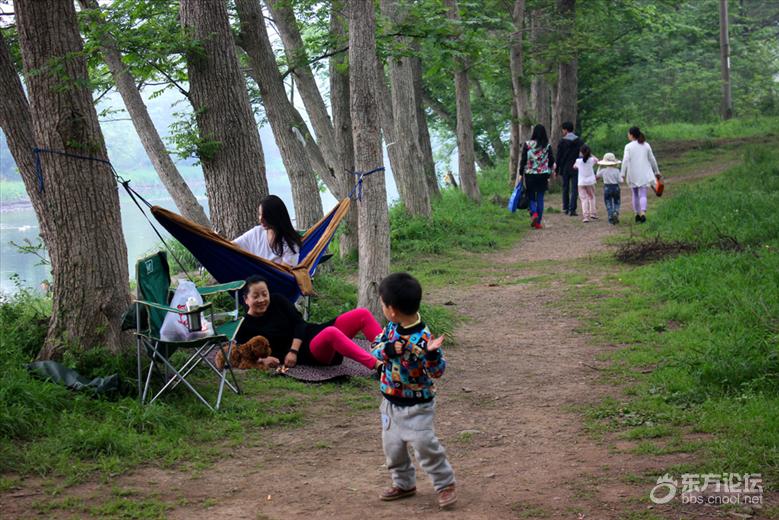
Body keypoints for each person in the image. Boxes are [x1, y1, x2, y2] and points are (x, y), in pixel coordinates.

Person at [371, 272, 457, 509]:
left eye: (382, 303)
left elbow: (438, 371)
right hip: (390, 402)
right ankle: (404, 483)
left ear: (392, 309)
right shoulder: (390, 329)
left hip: (418, 405)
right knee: (393, 448)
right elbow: (374, 348)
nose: (382, 307)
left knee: (424, 445)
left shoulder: (424, 338)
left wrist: (431, 355)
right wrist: (387, 349)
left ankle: (445, 483)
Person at [234, 275, 384, 371]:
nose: (262, 300)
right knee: (331, 333)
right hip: (311, 353)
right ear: (246, 299)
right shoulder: (244, 325)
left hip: (313, 335)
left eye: (264, 294)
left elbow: (299, 323)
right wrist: (262, 360)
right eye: (256, 296)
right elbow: (241, 354)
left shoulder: (278, 300)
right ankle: (379, 366)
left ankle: (391, 356)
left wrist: (293, 351)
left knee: (362, 314)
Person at [233, 195, 302, 266]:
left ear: (275, 217)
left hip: (272, 276)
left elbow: (284, 273)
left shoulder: (290, 244)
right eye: (259, 214)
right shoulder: (257, 232)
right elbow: (231, 246)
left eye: (265, 216)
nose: (260, 220)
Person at [517, 124, 555, 229]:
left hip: (530, 175)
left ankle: (533, 213)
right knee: (540, 198)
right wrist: (550, 171)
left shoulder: (528, 145)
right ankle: (538, 223)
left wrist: (521, 173)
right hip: (543, 175)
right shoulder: (547, 146)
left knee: (531, 197)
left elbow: (523, 160)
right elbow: (551, 161)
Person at [621, 126, 660, 223]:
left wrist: (622, 173)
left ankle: (637, 214)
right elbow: (652, 159)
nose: (628, 135)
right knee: (643, 194)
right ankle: (643, 212)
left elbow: (625, 160)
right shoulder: (646, 145)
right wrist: (657, 171)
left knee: (634, 194)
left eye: (628, 134)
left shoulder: (628, 146)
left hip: (633, 173)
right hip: (644, 173)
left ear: (631, 135)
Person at [554, 121, 583, 216]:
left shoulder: (562, 141)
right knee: (575, 188)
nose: (562, 131)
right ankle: (572, 209)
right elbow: (582, 154)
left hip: (565, 168)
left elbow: (558, 157)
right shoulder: (579, 141)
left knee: (565, 187)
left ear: (565, 130)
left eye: (563, 129)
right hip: (576, 167)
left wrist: (556, 169)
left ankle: (565, 208)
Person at [573, 144, 599, 223]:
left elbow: (574, 167)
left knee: (583, 199)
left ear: (581, 152)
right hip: (590, 182)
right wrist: (590, 154)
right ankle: (593, 213)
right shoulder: (591, 160)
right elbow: (597, 160)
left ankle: (585, 216)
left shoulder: (578, 161)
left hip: (581, 182)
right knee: (591, 197)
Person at [596, 152, 623, 225]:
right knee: (617, 201)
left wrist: (599, 167)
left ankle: (610, 216)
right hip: (616, 187)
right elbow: (621, 180)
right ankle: (616, 212)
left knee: (608, 202)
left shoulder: (603, 170)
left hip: (607, 187)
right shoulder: (617, 171)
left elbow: (597, 176)